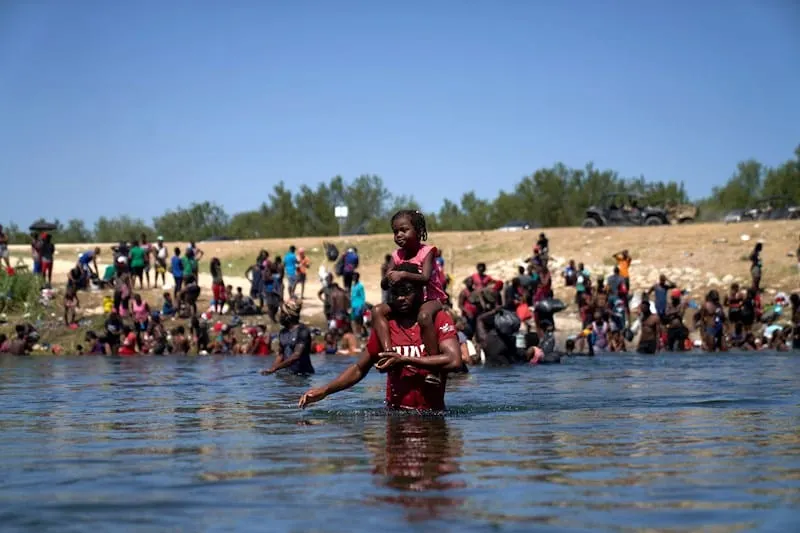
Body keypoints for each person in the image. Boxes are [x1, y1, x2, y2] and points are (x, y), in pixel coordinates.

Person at [298, 263, 462, 411]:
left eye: (406, 292)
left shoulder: (437, 319)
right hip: (396, 416)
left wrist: (405, 360)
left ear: (420, 290)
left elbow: (454, 360)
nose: (400, 298)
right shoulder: (386, 326)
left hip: (432, 417)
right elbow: (359, 368)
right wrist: (325, 390)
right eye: (395, 293)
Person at [374, 210, 448, 362]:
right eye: (395, 232)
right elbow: (384, 285)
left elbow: (426, 278)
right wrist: (388, 277)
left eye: (404, 230)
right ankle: (388, 352)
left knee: (424, 316)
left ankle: (433, 362)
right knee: (377, 311)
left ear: (418, 232)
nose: (399, 235)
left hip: (431, 298)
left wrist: (402, 275)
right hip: (408, 300)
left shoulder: (426, 252)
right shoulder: (396, 256)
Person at [261, 299, 315, 376]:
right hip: (289, 373)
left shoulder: (302, 331)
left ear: (288, 315)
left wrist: (275, 368)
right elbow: (281, 355)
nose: (279, 316)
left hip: (304, 375)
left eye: (282, 313)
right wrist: (271, 370)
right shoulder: (282, 332)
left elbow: (296, 355)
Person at [350, 271, 366, 337]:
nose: (354, 278)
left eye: (355, 276)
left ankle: (360, 332)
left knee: (358, 320)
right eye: (353, 276)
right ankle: (355, 332)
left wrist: (362, 306)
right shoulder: (353, 285)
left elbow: (363, 296)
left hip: (358, 305)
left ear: (358, 277)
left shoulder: (360, 286)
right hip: (353, 305)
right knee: (353, 319)